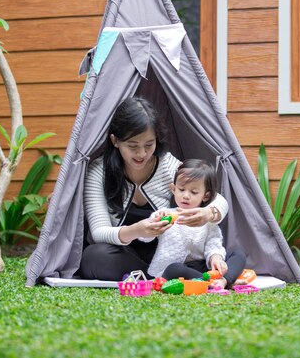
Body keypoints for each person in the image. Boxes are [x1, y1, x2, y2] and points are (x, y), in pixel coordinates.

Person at [79, 96, 229, 281]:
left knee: (213, 256)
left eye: (149, 145)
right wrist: (137, 230)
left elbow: (218, 199)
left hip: (168, 256)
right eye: (132, 146)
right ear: (115, 141)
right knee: (94, 258)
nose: (142, 154)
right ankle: (163, 277)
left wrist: (209, 214)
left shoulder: (166, 165)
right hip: (125, 256)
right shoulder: (99, 171)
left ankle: (172, 274)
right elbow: (99, 232)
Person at [141, 159, 246, 289]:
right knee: (175, 268)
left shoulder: (207, 219)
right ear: (173, 189)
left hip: (201, 267)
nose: (186, 196)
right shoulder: (164, 213)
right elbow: (145, 237)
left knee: (238, 254)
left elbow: (214, 243)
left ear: (205, 196)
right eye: (181, 189)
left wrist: (216, 258)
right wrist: (154, 222)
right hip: (173, 268)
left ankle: (223, 280)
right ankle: (213, 284)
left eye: (194, 192)